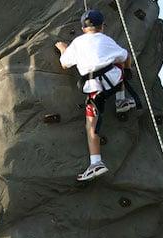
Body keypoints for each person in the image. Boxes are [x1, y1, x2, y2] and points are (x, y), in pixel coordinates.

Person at [55, 9, 136, 181]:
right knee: (119, 63)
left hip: (94, 90)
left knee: (91, 127)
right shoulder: (107, 40)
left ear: (83, 28)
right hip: (114, 81)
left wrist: (63, 48)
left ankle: (96, 162)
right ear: (102, 27)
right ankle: (121, 100)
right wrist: (128, 70)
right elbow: (126, 56)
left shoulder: (77, 43)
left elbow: (64, 64)